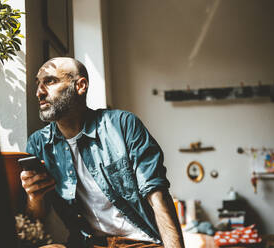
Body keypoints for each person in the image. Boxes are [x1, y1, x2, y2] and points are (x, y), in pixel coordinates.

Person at [20, 57, 185, 248]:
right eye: (38, 84)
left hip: (139, 243)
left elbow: (157, 195)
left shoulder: (122, 125)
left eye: (50, 81)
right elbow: (36, 218)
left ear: (80, 86)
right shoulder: (38, 143)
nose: (39, 92)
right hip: (87, 244)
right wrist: (34, 197)